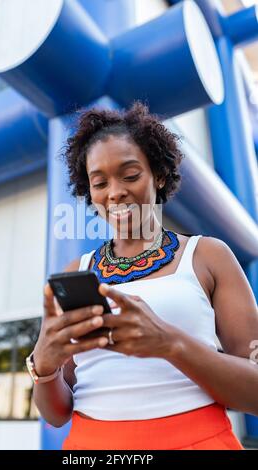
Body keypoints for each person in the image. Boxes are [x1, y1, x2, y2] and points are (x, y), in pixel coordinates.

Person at [30, 102, 258, 450]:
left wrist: (170, 343)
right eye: (99, 182)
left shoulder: (207, 256)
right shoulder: (76, 272)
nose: (115, 191)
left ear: (159, 175)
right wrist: (44, 366)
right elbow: (58, 413)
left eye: (130, 175)